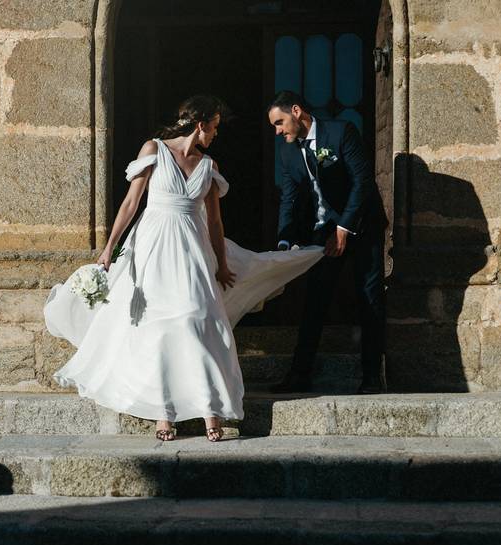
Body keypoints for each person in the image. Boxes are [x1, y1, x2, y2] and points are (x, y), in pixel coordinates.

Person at [44, 95, 323, 442]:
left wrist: (221, 264)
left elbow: (216, 225)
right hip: (154, 248)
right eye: (215, 127)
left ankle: (210, 408)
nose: (216, 135)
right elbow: (131, 202)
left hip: (192, 250)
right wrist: (108, 249)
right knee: (158, 327)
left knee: (199, 319)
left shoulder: (209, 167)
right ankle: (165, 412)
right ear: (201, 124)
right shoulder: (154, 149)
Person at [267, 90, 386, 394]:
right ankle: (300, 374)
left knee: (369, 298)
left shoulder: (341, 131)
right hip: (324, 230)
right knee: (315, 301)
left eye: (280, 123)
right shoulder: (288, 151)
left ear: (296, 111)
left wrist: (345, 227)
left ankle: (373, 377)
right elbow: (290, 198)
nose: (278, 131)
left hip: (362, 224)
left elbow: (362, 181)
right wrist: (284, 239)